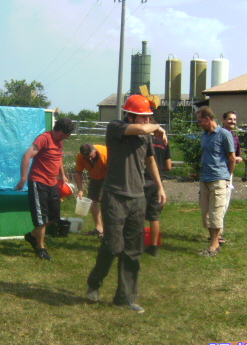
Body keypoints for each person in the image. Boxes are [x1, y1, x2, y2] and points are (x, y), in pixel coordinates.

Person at [86, 95, 167, 313]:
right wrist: (157, 128)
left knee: (133, 250)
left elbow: (150, 160)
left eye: (148, 117)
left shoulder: (145, 135)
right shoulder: (116, 127)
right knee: (113, 245)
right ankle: (94, 282)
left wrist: (160, 187)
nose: (147, 121)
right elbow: (142, 129)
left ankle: (125, 298)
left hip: (137, 198)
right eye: (143, 117)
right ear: (130, 116)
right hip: (115, 196)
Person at [15, 118, 76, 262]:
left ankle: (31, 236)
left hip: (52, 183)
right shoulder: (44, 139)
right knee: (41, 220)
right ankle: (41, 248)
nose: (67, 138)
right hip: (39, 182)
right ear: (60, 132)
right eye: (67, 135)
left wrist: (63, 175)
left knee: (54, 217)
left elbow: (58, 158)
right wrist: (23, 179)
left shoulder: (60, 141)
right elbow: (27, 156)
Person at [196, 106, 235, 257]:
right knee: (206, 213)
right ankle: (214, 241)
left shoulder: (224, 134)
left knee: (216, 212)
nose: (199, 124)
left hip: (219, 179)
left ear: (208, 119)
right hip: (205, 179)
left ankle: (214, 245)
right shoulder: (204, 135)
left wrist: (227, 177)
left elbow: (231, 158)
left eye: (200, 121)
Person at [144, 123, 172, 257]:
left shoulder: (143, 139)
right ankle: (154, 247)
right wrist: (160, 167)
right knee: (154, 216)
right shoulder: (163, 141)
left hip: (143, 179)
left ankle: (137, 244)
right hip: (157, 181)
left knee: (137, 214)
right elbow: (169, 166)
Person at [74, 143, 108, 236]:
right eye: (86, 157)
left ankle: (109, 230)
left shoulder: (105, 154)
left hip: (108, 177)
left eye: (91, 156)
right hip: (95, 176)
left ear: (95, 151)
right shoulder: (81, 156)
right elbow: (78, 173)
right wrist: (80, 190)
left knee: (107, 202)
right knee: (92, 200)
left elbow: (115, 171)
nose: (89, 159)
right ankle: (99, 228)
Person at [220, 111, 243, 243]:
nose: (232, 122)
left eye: (234, 120)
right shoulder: (219, 135)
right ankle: (217, 233)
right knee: (219, 204)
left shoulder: (234, 137)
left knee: (225, 203)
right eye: (230, 119)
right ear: (223, 120)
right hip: (220, 172)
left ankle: (218, 231)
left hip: (229, 172)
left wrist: (237, 159)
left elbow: (237, 155)